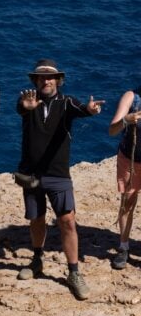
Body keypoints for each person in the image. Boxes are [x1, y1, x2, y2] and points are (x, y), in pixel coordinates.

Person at [16, 59, 104, 299]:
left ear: (58, 80)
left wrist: (91, 110)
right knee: (36, 219)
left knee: (67, 221)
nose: (46, 81)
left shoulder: (67, 103)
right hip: (31, 174)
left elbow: (81, 110)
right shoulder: (27, 100)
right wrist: (27, 106)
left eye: (50, 77)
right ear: (35, 80)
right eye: (41, 77)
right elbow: (22, 108)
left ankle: (74, 272)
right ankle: (37, 260)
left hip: (58, 174)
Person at [108, 85, 141, 269]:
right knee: (127, 202)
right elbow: (112, 130)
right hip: (131, 159)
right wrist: (126, 121)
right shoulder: (131, 97)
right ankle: (124, 247)